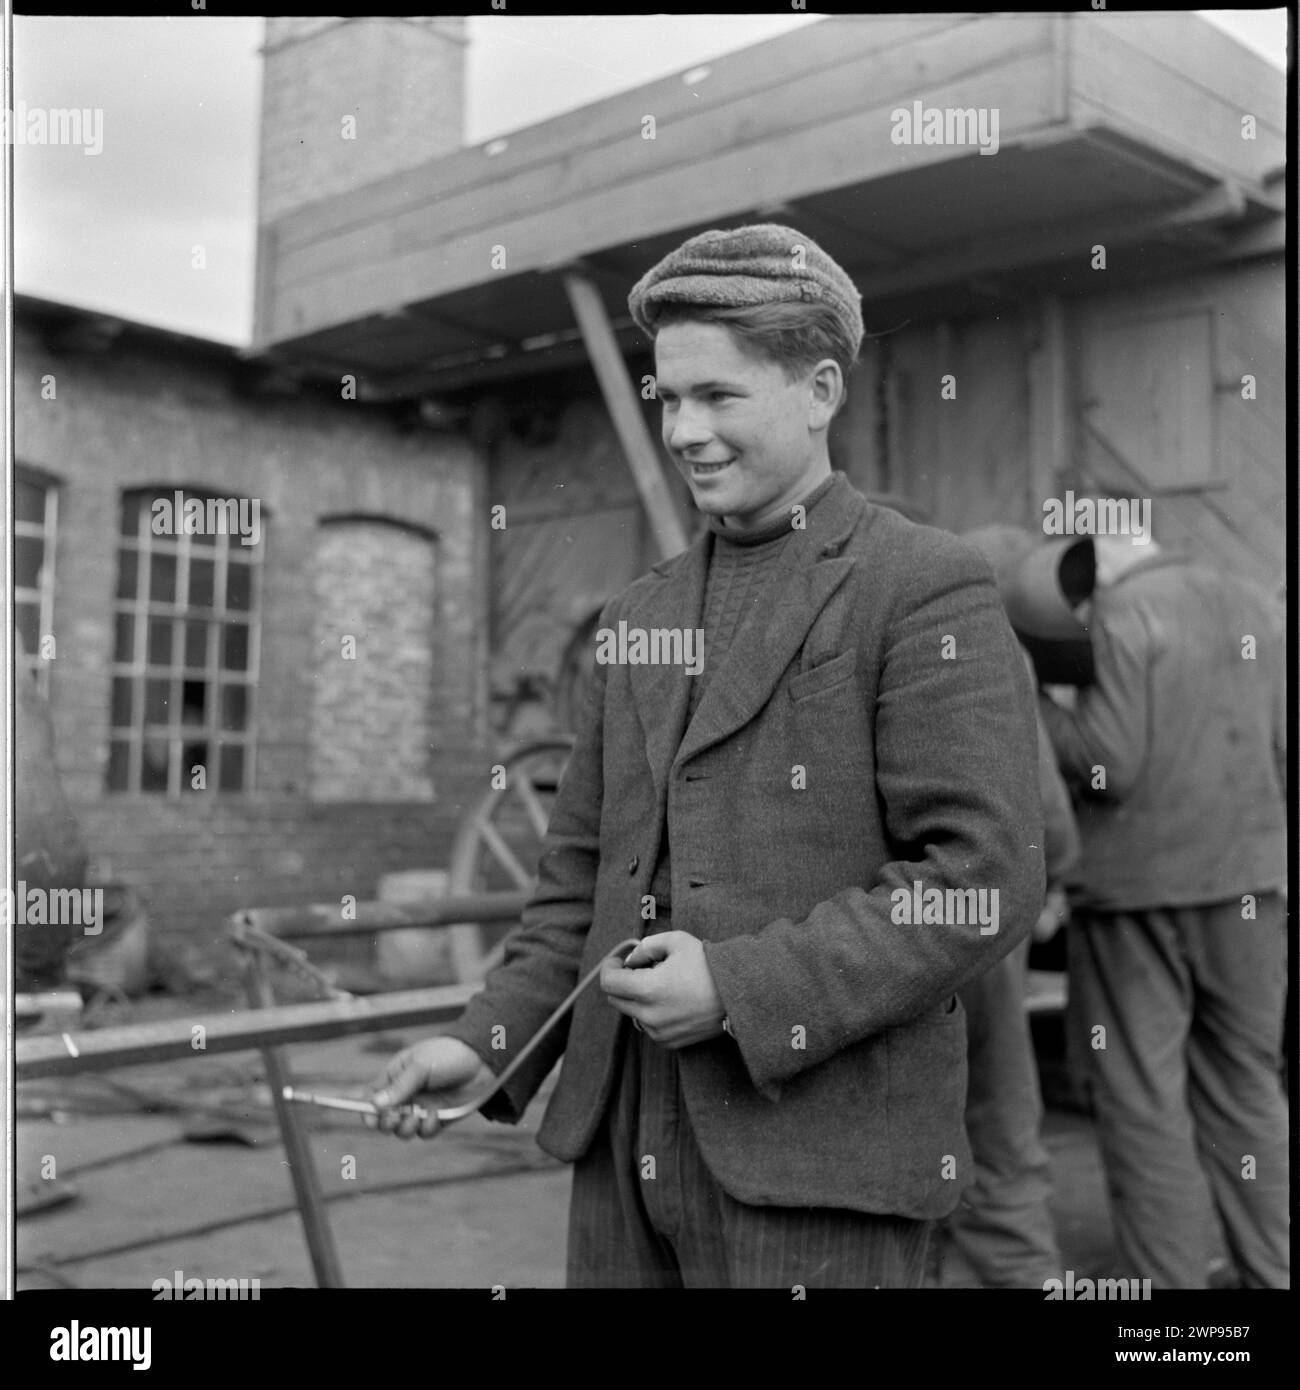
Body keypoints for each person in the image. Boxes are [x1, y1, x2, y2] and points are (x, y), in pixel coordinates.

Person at [367, 224, 1045, 1288]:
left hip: (816, 1164)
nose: (683, 429)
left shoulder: (919, 586)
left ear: (818, 388)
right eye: (667, 398)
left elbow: (979, 877)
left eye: (718, 397)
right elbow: (579, 883)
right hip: (620, 1155)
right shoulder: (637, 615)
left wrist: (739, 986)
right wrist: (488, 1042)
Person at [1037, 529, 1289, 1289]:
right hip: (1250, 885)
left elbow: (1111, 762)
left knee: (1142, 1100)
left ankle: (1171, 1308)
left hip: (1139, 895)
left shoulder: (1122, 610)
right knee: (1248, 1089)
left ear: (1097, 556)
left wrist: (1033, 704)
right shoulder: (1251, 599)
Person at [935, 524, 1079, 1289]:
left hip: (871, 931)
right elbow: (1048, 814)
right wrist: (1055, 882)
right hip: (980, 926)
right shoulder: (999, 647)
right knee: (999, 1123)